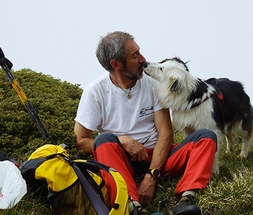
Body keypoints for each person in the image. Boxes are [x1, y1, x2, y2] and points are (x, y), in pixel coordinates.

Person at [74, 31, 217, 215]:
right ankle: (132, 206)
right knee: (104, 141)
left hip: (160, 157)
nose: (143, 59)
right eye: (135, 56)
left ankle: (185, 199)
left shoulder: (152, 83)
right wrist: (122, 140)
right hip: (121, 160)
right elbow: (80, 140)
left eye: (139, 52)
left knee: (206, 137)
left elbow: (165, 132)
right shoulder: (95, 92)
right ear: (116, 64)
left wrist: (151, 176)